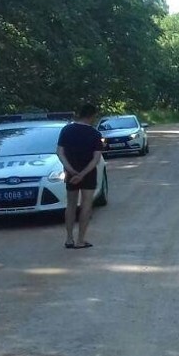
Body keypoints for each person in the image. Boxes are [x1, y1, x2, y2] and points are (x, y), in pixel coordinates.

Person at [57, 103, 103, 249]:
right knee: (86, 206)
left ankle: (69, 239)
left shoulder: (66, 130)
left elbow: (60, 152)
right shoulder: (95, 134)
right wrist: (82, 174)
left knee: (70, 205)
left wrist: (71, 171)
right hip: (88, 174)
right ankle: (80, 240)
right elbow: (96, 159)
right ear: (92, 116)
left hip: (71, 174)